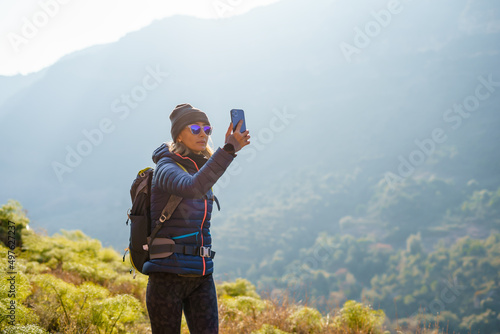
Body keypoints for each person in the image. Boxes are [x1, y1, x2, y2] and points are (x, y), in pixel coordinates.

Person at [143, 103, 250, 334]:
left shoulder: (199, 169)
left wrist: (225, 152)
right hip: (166, 276)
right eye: (195, 129)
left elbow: (199, 182)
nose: (203, 134)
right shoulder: (166, 166)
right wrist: (228, 149)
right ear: (179, 134)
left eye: (207, 129)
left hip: (201, 276)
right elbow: (192, 188)